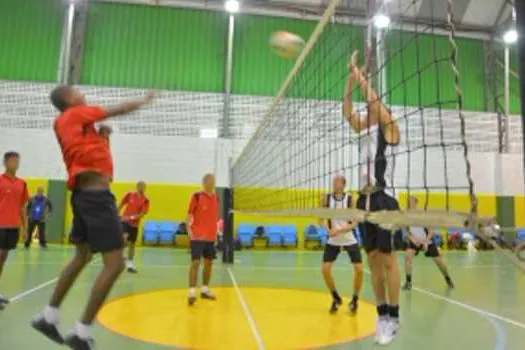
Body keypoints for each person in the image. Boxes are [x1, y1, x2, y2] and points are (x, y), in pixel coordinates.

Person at [31, 85, 154, 350]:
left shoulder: (72, 125)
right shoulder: (75, 114)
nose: (82, 94)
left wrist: (104, 138)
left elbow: (92, 156)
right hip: (96, 199)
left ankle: (48, 316)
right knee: (115, 264)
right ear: (69, 100)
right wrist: (144, 100)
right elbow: (117, 109)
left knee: (82, 256)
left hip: (83, 196)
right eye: (77, 91)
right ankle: (81, 332)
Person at [343, 51, 401, 345]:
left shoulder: (390, 128)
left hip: (385, 199)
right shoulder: (364, 132)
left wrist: (360, 73)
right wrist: (350, 79)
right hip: (363, 202)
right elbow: (347, 111)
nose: (369, 112)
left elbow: (374, 103)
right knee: (374, 262)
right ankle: (382, 315)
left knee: (389, 261)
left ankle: (394, 315)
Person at [320, 175, 363, 314]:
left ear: (343, 184)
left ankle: (355, 299)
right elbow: (320, 220)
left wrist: (339, 230)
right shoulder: (326, 198)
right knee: (325, 269)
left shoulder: (351, 199)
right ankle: (335, 297)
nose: (334, 183)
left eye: (337, 181)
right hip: (333, 239)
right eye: (333, 181)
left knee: (359, 269)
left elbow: (355, 222)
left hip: (349, 238)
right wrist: (328, 230)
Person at [402, 196, 454, 291]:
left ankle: (448, 279)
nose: (411, 203)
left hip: (427, 240)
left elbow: (431, 231)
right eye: (409, 201)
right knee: (407, 256)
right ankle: (408, 282)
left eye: (413, 201)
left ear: (416, 203)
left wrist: (425, 242)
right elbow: (405, 231)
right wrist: (412, 239)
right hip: (414, 241)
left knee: (439, 263)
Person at [0, 151, 29, 311]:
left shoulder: (21, 184)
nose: (16, 164)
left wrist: (25, 228)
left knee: (2, 259)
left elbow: (23, 207)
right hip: (0, 225)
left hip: (13, 226)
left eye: (17, 161)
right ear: (5, 163)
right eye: (12, 161)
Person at [187, 173, 220, 306]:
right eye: (210, 180)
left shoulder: (216, 198)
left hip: (210, 237)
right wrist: (189, 231)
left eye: (214, 180)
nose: (213, 182)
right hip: (197, 236)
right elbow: (189, 214)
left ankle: (205, 290)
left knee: (208, 264)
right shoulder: (196, 196)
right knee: (195, 263)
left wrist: (216, 233)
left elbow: (214, 218)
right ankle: (192, 292)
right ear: (205, 182)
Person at [119, 181, 150, 273]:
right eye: (140, 186)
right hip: (125, 221)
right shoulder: (130, 195)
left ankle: (130, 265)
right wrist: (116, 213)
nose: (141, 188)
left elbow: (142, 213)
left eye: (143, 186)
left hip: (135, 224)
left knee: (132, 245)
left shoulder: (146, 200)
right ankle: (121, 255)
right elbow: (121, 204)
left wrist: (132, 217)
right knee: (124, 238)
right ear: (137, 187)